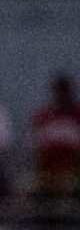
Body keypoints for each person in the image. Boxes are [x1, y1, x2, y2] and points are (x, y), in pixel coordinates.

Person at [30, 73, 80, 201]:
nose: (62, 96)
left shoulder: (77, 115)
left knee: (66, 181)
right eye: (59, 92)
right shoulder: (44, 116)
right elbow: (37, 146)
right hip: (47, 166)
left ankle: (65, 213)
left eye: (65, 92)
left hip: (72, 166)